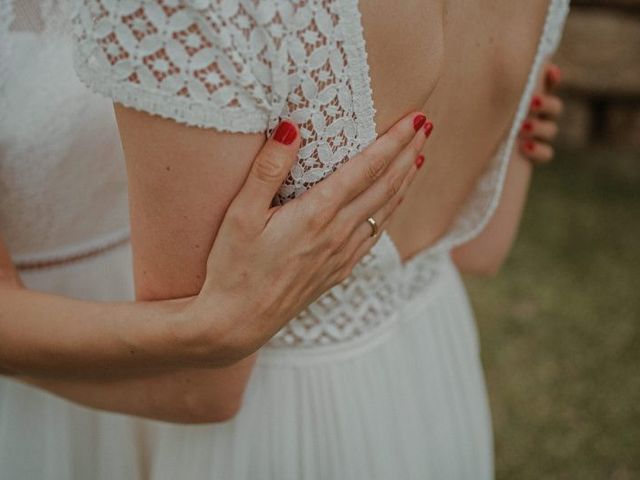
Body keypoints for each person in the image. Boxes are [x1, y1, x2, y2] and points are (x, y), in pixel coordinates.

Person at [0, 0, 568, 478]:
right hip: (428, 375)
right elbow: (482, 246)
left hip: (276, 428)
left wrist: (210, 327)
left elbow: (200, 388)